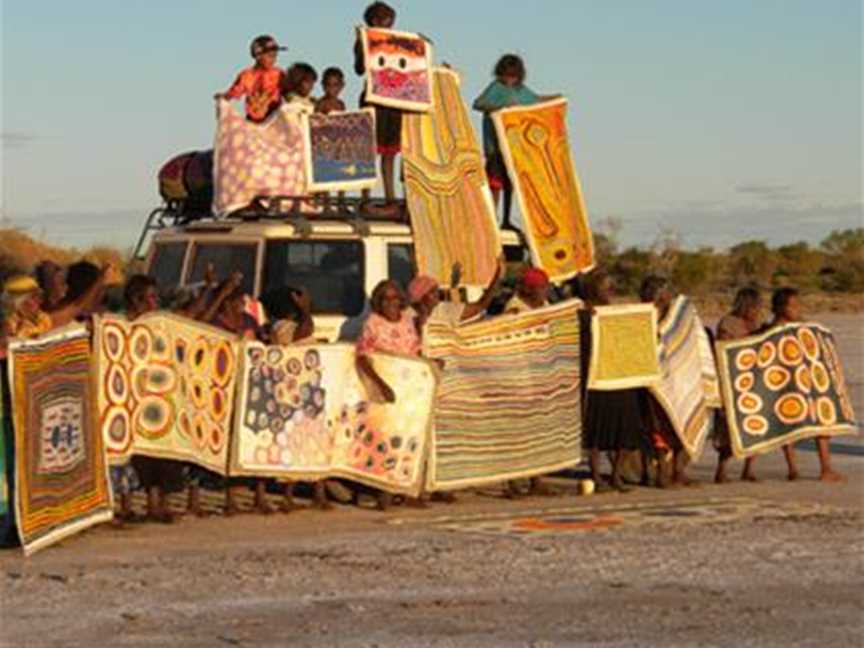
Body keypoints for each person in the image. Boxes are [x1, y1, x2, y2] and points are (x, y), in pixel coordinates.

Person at [760, 288, 843, 483]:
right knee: (795, 426)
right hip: (787, 384)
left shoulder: (798, 327)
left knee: (814, 425)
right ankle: (804, 469)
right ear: (781, 308)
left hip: (803, 383)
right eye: (793, 306)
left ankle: (815, 468)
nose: (797, 309)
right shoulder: (776, 330)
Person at [578, 269, 647, 492]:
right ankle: (596, 475)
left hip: (619, 376)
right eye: (605, 286)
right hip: (596, 378)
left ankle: (616, 474)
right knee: (596, 430)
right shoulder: (581, 313)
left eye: (611, 286)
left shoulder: (618, 314)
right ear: (592, 289)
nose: (610, 290)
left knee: (625, 427)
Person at [123, 275, 185, 523]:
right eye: (150, 297)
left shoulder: (161, 322)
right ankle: (150, 503)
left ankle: (163, 503)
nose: (154, 301)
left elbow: (191, 319)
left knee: (166, 448)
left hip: (161, 392)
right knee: (143, 452)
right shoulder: (124, 323)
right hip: (136, 392)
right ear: (137, 299)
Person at [355, 280, 420, 511]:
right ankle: (383, 491)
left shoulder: (408, 320)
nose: (390, 303)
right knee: (386, 440)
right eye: (385, 299)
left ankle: (404, 488)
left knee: (409, 439)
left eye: (394, 298)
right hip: (385, 389)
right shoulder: (373, 323)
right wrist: (381, 385)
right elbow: (362, 356)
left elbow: (415, 350)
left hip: (408, 389)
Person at [473, 54, 558, 228]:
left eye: (513, 76)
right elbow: (478, 103)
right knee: (494, 183)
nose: (510, 80)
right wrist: (500, 108)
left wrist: (555, 99)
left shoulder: (521, 90)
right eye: (507, 76)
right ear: (501, 74)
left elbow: (534, 100)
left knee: (510, 184)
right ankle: (491, 218)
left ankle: (506, 220)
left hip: (514, 148)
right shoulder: (496, 88)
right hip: (495, 148)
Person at [714, 287, 763, 483]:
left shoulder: (756, 323)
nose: (757, 310)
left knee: (756, 423)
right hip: (732, 381)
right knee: (729, 426)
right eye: (754, 306)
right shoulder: (728, 323)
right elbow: (725, 350)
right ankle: (722, 468)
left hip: (755, 379)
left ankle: (749, 468)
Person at [354, 2, 401, 204]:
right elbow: (359, 69)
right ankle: (366, 195)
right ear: (372, 20)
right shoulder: (365, 40)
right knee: (370, 150)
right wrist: (362, 44)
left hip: (393, 101)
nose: (385, 23)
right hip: (374, 98)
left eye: (388, 19)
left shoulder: (398, 43)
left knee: (390, 151)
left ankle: (390, 195)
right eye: (380, 19)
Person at [2, 265, 110, 340]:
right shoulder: (9, 326)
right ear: (19, 302)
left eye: (40, 295)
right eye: (34, 296)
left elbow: (75, 308)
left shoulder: (41, 320)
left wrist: (100, 280)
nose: (39, 300)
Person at [409, 258, 504, 332]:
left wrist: (497, 278)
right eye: (432, 292)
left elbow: (479, 307)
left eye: (437, 291)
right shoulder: (408, 316)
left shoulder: (442, 309)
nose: (437, 295)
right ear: (422, 297)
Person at [216, 35, 286, 123]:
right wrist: (225, 96)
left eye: (275, 56)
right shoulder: (246, 75)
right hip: (253, 122)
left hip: (274, 122)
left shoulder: (279, 74)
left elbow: (289, 93)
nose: (274, 60)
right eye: (270, 56)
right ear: (258, 56)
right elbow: (235, 91)